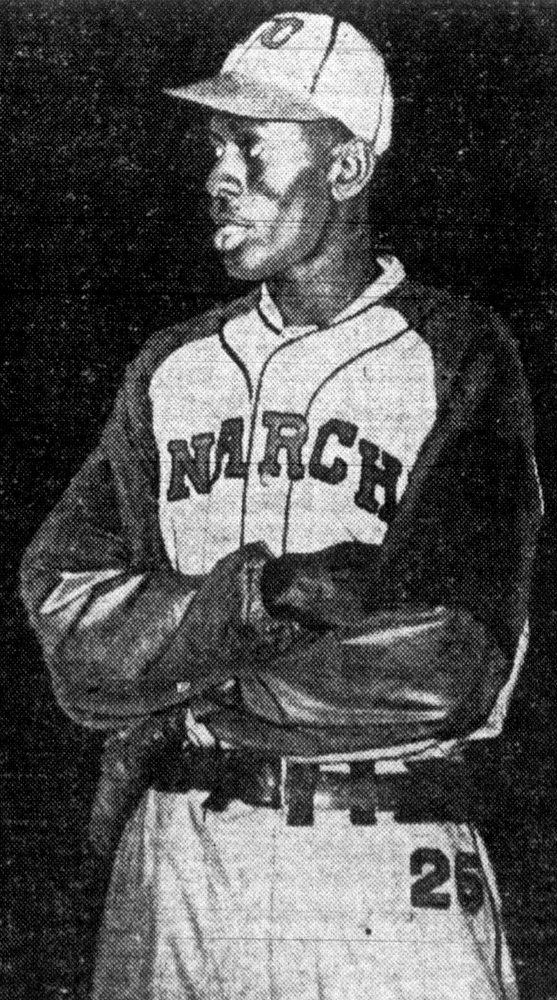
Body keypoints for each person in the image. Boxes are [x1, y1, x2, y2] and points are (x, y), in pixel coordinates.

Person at [21, 11, 542, 1000]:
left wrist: (176, 668)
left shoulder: (456, 354)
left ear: (344, 169)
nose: (217, 175)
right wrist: (264, 600)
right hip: (180, 864)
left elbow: (450, 660)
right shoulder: (170, 367)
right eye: (213, 146)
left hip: (381, 863)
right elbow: (65, 622)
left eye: (250, 146)